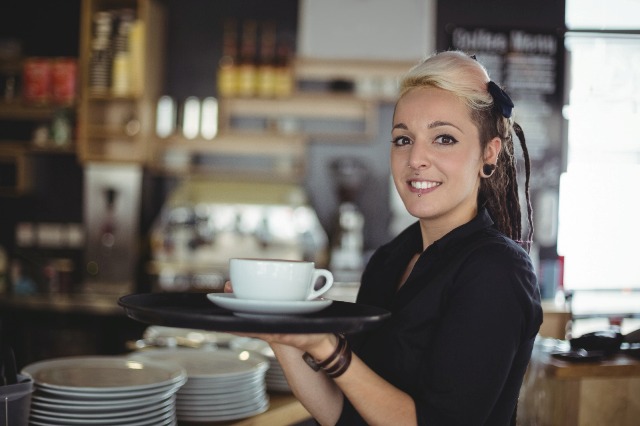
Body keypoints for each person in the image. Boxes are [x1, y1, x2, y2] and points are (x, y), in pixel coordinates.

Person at [225, 50, 542, 425]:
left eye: (443, 138)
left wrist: (326, 346)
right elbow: (345, 413)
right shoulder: (390, 259)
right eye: (402, 139)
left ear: (488, 154)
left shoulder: (496, 271)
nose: (416, 159)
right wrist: (281, 333)